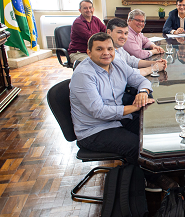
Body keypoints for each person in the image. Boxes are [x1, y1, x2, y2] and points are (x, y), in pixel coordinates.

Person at [70, 33, 177, 192]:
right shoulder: (83, 74)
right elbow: (99, 112)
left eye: (109, 48)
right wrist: (135, 107)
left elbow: (142, 80)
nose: (106, 53)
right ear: (89, 52)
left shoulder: (117, 63)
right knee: (136, 146)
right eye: (99, 49)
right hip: (94, 130)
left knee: (151, 131)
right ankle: (152, 178)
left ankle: (163, 168)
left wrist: (143, 92)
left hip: (118, 119)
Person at [68, 0, 106, 64]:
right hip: (79, 53)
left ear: (93, 9)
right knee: (93, 64)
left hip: (93, 52)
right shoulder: (78, 23)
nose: (88, 10)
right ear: (80, 10)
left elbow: (106, 30)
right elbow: (92, 38)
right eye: (85, 8)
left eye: (90, 7)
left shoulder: (95, 19)